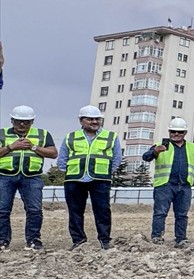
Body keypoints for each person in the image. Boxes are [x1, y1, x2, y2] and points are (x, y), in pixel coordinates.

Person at [58, 105, 123, 251]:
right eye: (90, 119)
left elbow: (117, 158)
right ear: (81, 121)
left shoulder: (111, 137)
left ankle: (104, 240)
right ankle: (78, 240)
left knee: (102, 210)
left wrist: (105, 172)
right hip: (74, 179)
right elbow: (62, 159)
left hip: (100, 179)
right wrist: (69, 171)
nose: (94, 122)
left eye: (97, 119)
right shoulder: (71, 137)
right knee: (75, 211)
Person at [142, 117, 194, 248]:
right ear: (169, 131)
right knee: (160, 213)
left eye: (179, 132)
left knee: (182, 214)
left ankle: (181, 239)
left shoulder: (193, 148)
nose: (176, 134)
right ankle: (157, 237)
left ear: (185, 133)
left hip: (184, 186)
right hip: (165, 185)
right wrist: (155, 151)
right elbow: (146, 157)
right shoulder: (161, 144)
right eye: (173, 131)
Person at [0, 105, 58, 251]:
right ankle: (2, 240)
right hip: (5, 176)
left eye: (26, 121)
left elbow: (53, 153)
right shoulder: (2, 134)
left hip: (32, 177)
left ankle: (33, 240)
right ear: (12, 120)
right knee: (2, 210)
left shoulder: (42, 134)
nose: (22, 124)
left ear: (32, 121)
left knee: (34, 210)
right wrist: (11, 147)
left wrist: (33, 147)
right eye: (18, 121)